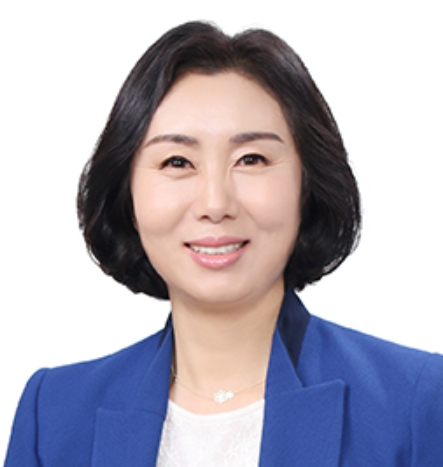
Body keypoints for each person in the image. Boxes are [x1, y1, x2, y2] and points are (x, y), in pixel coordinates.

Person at [4, 21, 443, 467]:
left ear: (306, 186)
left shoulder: (414, 403)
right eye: (177, 162)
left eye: (251, 159)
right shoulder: (53, 415)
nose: (215, 203)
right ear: (128, 193)